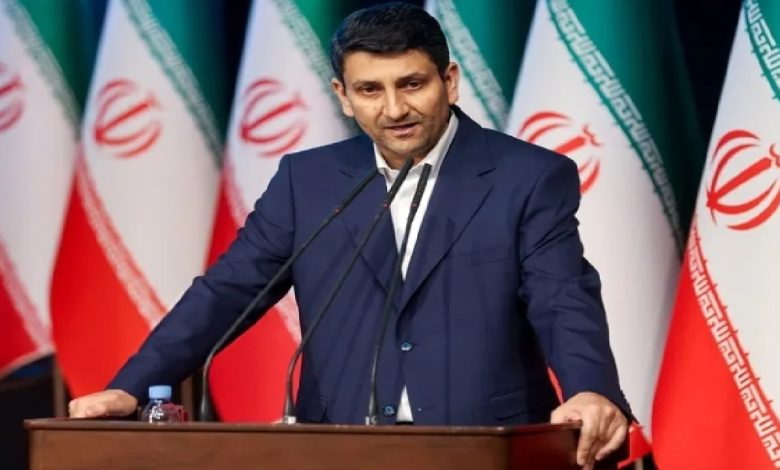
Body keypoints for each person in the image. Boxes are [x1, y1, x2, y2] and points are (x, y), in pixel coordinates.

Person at [70, 3, 630, 467]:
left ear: (449, 81)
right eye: (370, 90)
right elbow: (227, 291)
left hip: (483, 443)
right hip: (334, 445)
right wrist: (133, 386)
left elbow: (562, 295)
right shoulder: (308, 181)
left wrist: (590, 388)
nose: (394, 109)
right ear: (342, 94)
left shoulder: (526, 176)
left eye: (412, 84)